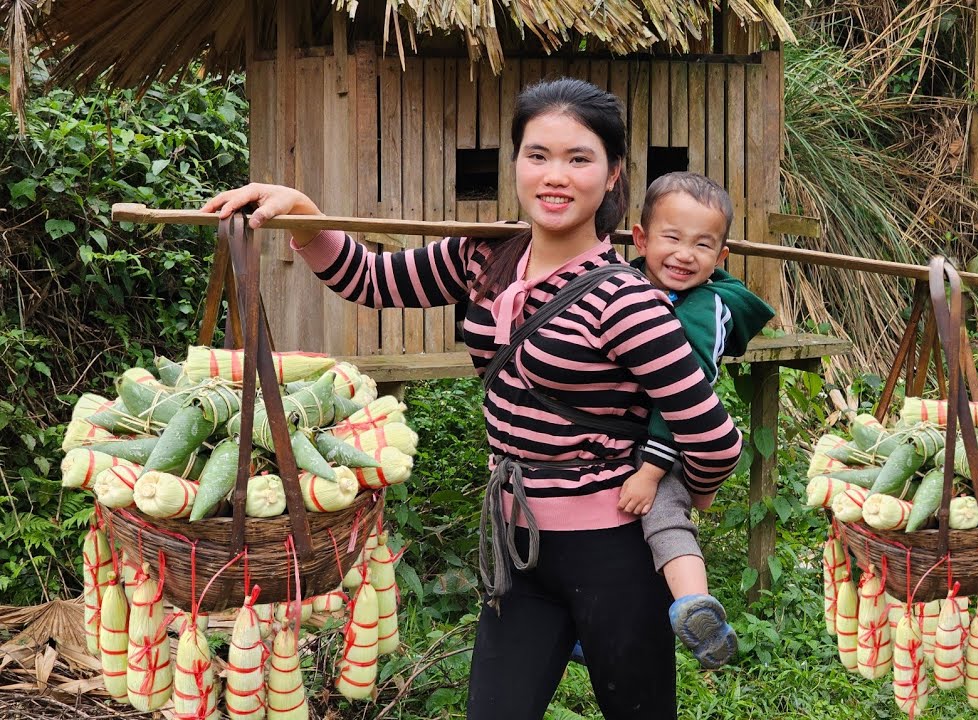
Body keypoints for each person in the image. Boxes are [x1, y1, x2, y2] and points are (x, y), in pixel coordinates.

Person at [200, 78, 742, 720]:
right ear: (515, 163)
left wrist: (683, 503)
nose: (555, 176)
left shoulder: (627, 300)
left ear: (613, 173)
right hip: (517, 546)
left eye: (579, 158)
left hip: (613, 553)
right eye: (537, 155)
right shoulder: (485, 256)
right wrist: (303, 214)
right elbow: (370, 279)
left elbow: (713, 437)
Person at [613, 172, 774, 669]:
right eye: (672, 238)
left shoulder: (705, 308)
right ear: (640, 239)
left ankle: (694, 604)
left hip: (670, 440)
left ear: (720, 257)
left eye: (702, 245)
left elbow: (688, 392)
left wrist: (653, 468)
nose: (685, 255)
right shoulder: (622, 284)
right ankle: (590, 627)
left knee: (663, 514)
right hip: (621, 433)